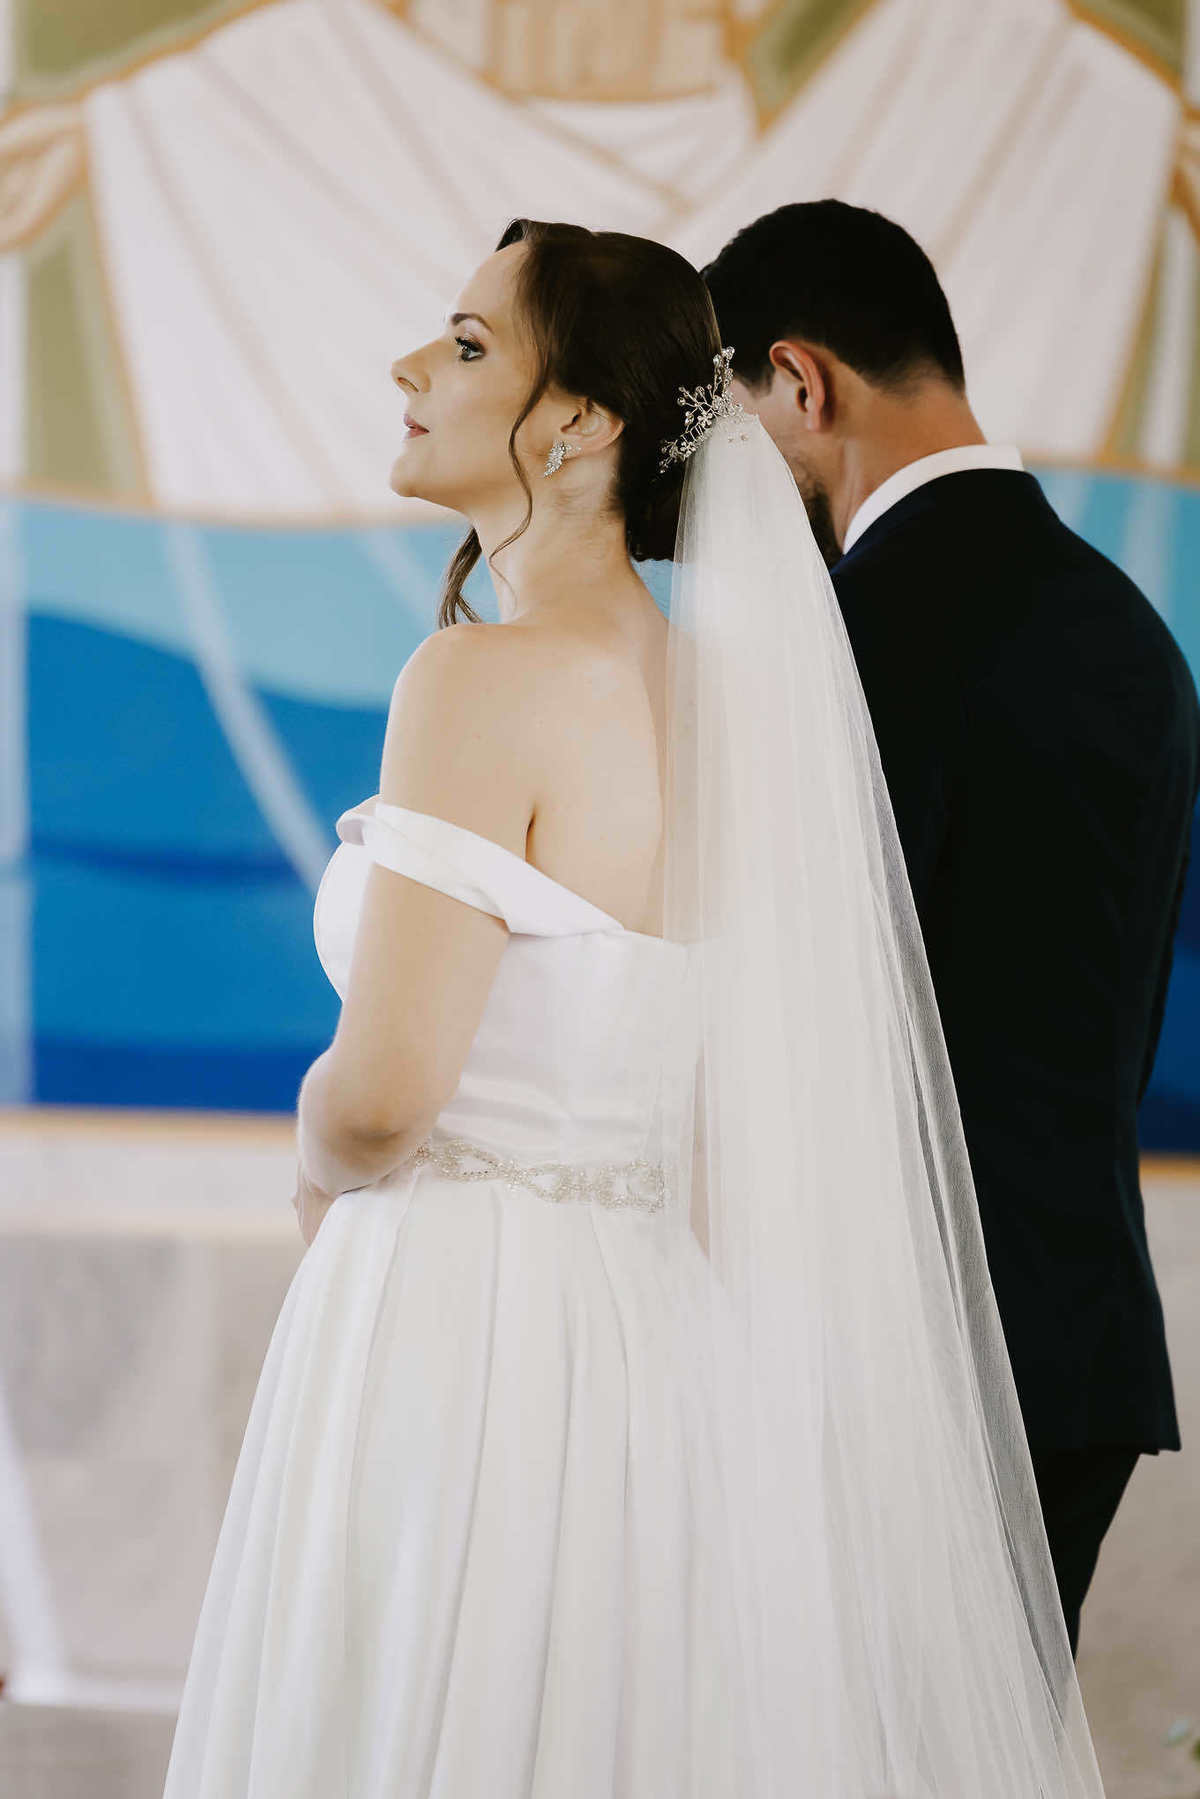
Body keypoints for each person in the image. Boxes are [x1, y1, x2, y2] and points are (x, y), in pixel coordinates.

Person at [162, 218, 1110, 1798]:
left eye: (469, 344)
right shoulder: (724, 705)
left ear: (583, 422)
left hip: (459, 1324)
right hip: (647, 1333)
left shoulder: (476, 679)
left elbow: (386, 1095)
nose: (411, 366)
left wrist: (319, 1164)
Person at [703, 197, 1200, 1657]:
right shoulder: (1131, 630)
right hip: (1082, 1349)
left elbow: (793, 1024)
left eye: (729, 438)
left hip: (897, 1358)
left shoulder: (846, 641)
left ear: (800, 382)